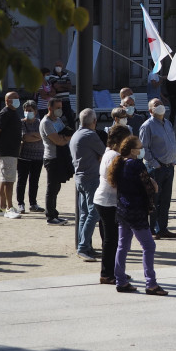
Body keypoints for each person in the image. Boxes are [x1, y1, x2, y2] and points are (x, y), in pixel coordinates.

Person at [108, 136, 167, 296]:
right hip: (136, 211)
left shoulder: (120, 163)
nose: (142, 150)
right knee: (149, 246)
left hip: (122, 210)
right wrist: (154, 186)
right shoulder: (135, 164)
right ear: (133, 150)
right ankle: (151, 283)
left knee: (123, 246)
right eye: (140, 147)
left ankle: (120, 280)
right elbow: (148, 186)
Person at [94, 125, 131, 285]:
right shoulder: (115, 156)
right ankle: (107, 273)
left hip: (103, 200)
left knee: (109, 239)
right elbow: (117, 180)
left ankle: (114, 270)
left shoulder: (109, 153)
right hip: (108, 201)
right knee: (111, 240)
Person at [139, 98, 176, 239]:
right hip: (156, 168)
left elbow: (172, 142)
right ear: (150, 110)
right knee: (153, 200)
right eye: (156, 105)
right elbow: (144, 149)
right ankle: (151, 230)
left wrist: (173, 160)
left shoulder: (167, 123)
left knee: (165, 200)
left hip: (169, 167)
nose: (160, 106)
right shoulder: (147, 126)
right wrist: (155, 164)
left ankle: (163, 228)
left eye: (161, 103)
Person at [70, 109, 106, 261]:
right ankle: (84, 246)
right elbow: (104, 153)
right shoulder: (91, 135)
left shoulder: (76, 134)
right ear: (94, 121)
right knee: (94, 212)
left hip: (80, 177)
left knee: (85, 213)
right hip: (91, 178)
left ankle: (85, 246)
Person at [40, 97, 72, 225]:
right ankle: (50, 216)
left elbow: (68, 134)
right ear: (50, 108)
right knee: (51, 187)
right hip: (52, 158)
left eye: (61, 107)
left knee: (57, 186)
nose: (60, 110)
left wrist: (64, 138)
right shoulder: (46, 122)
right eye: (57, 108)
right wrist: (64, 138)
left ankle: (54, 213)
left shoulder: (58, 120)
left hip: (61, 156)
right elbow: (58, 140)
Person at [0, 91, 22, 218]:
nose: (17, 99)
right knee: (9, 181)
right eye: (14, 98)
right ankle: (9, 208)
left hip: (11, 151)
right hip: (7, 151)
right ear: (7, 101)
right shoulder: (5, 113)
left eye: (18, 97)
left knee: (4, 180)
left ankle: (2, 208)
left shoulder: (13, 113)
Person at [16, 100, 46, 215]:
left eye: (30, 110)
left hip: (38, 156)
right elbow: (25, 137)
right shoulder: (21, 123)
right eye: (26, 110)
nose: (28, 112)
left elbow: (43, 135)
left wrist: (34, 135)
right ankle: (20, 203)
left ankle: (33, 203)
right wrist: (37, 136)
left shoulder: (40, 122)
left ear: (35, 111)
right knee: (22, 180)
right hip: (24, 156)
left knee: (34, 181)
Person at [47, 61, 74, 125]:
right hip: (57, 101)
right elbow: (56, 87)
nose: (58, 67)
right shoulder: (52, 76)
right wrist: (64, 85)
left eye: (59, 66)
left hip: (66, 100)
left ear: (62, 66)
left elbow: (69, 87)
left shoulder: (66, 74)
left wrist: (60, 85)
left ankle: (72, 130)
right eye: (57, 65)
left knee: (70, 117)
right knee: (57, 116)